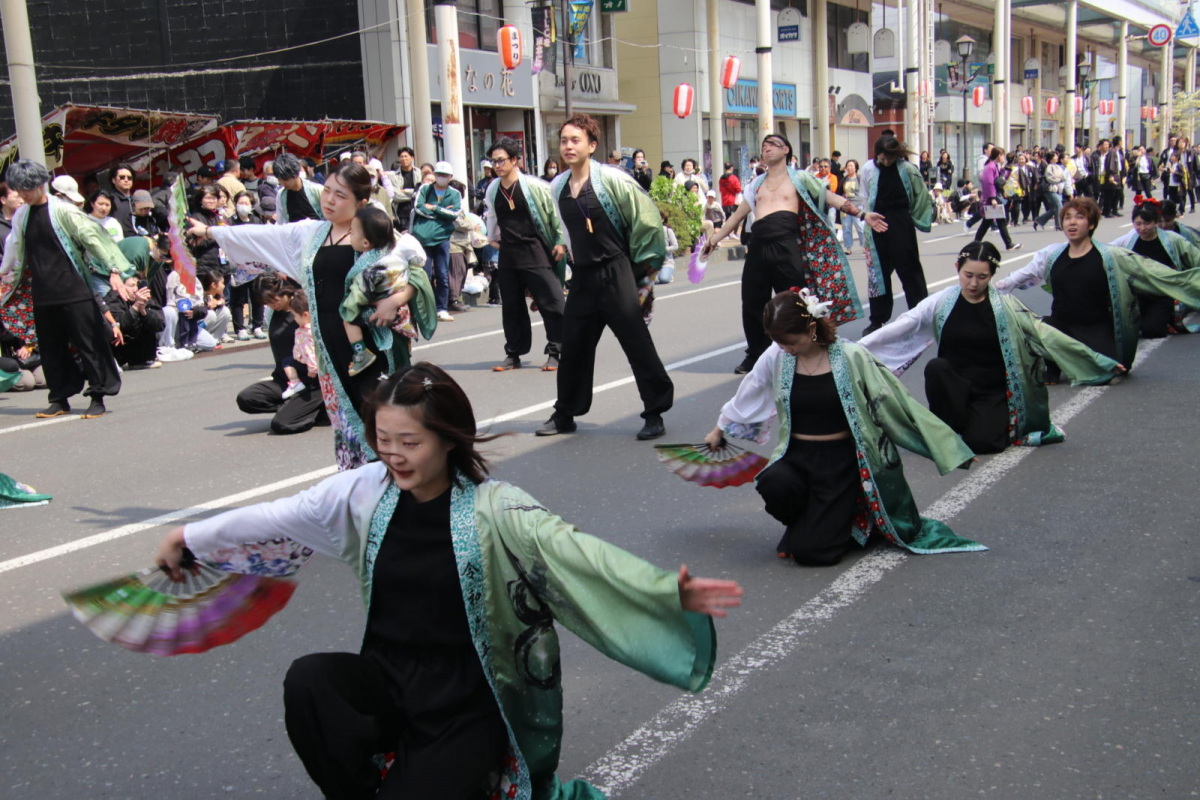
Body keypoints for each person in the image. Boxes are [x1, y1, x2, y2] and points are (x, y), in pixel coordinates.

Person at [155, 362, 742, 800]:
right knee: (310, 683)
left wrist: (665, 591)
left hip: (469, 701)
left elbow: (578, 557)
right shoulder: (363, 495)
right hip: (389, 679)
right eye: (383, 442)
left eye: (409, 442)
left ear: (448, 438)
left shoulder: (496, 510)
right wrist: (193, 537)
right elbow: (278, 515)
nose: (394, 456)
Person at [189, 161, 437, 470]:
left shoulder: (375, 233)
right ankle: (360, 497)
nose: (330, 200)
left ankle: (404, 492)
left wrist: (395, 300)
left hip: (374, 346)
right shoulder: (312, 233)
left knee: (385, 419)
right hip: (331, 345)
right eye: (328, 192)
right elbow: (262, 236)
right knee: (349, 423)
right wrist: (210, 230)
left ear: (361, 202)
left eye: (340, 195)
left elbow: (415, 273)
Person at [707, 288, 984, 565]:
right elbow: (752, 388)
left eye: (792, 341)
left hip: (839, 464)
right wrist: (720, 428)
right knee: (772, 483)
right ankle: (810, 524)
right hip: (796, 455)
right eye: (778, 342)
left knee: (813, 554)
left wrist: (950, 447)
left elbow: (899, 402)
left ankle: (849, 518)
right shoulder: (779, 356)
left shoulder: (851, 356)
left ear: (812, 327)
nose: (786, 348)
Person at [860, 241, 1123, 454]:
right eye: (968, 275)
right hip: (955, 386)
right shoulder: (942, 301)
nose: (973, 283)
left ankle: (990, 423)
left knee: (984, 444)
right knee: (936, 368)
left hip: (992, 390)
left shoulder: (1007, 307)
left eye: (982, 277)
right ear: (957, 269)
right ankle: (947, 429)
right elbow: (901, 326)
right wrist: (853, 349)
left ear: (992, 275)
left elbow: (1047, 337)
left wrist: (1097, 362)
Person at [537, 113, 674, 440]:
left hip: (616, 271)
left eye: (576, 140)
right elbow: (559, 233)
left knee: (635, 342)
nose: (568, 146)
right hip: (583, 277)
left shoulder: (613, 180)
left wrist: (643, 275)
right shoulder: (557, 187)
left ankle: (654, 411)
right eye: (564, 140)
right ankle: (565, 413)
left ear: (592, 145)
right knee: (573, 347)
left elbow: (648, 223)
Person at [702, 132, 871, 374]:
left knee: (796, 301)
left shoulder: (800, 177)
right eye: (764, 145)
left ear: (786, 151)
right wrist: (714, 239)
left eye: (773, 144)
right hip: (758, 246)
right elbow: (738, 215)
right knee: (751, 302)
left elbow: (831, 198)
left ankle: (805, 348)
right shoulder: (756, 184)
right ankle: (756, 355)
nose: (767, 149)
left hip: (786, 245)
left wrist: (863, 215)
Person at [994, 197, 1200, 381]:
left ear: (1091, 224)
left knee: (1108, 369)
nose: (1072, 222)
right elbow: (1019, 277)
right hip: (1060, 327)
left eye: (1079, 217)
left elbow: (1156, 274)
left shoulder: (1110, 256)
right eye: (1067, 218)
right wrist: (995, 290)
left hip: (1095, 328)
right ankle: (1054, 363)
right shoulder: (1051, 254)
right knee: (1035, 327)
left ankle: (1077, 359)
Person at [0, 160, 132, 418]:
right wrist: (3, 275)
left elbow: (93, 238)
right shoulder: (22, 215)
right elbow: (13, 247)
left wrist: (115, 270)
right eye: (19, 189)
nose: (23, 194)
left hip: (74, 289)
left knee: (89, 343)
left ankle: (97, 396)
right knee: (50, 347)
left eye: (27, 188)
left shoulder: (63, 211)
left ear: (41, 185)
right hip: (42, 291)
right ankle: (59, 398)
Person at [484, 137, 567, 372]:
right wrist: (491, 237)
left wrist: (560, 241)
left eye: (501, 161)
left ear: (514, 160)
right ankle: (513, 354)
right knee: (511, 306)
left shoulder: (534, 186)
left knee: (552, 302)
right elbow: (492, 214)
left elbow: (555, 213)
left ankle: (556, 352)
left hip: (536, 249)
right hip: (508, 253)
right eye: (494, 162)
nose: (497, 166)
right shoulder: (493, 188)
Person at [340, 206, 430, 377]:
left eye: (351, 233)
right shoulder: (397, 250)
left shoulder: (371, 269)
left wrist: (349, 305)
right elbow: (418, 260)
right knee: (400, 368)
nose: (348, 236)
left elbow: (357, 296)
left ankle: (360, 353)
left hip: (384, 319)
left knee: (347, 317)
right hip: (400, 316)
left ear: (366, 242)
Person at [858, 135, 935, 334]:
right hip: (876, 223)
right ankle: (877, 319)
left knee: (909, 270)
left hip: (901, 223)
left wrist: (917, 220)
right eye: (882, 158)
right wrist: (867, 221)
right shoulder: (868, 168)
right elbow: (865, 197)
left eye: (889, 159)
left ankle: (920, 314)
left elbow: (921, 196)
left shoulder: (908, 169)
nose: (885, 162)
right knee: (877, 275)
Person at [234, 274, 327, 434]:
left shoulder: (303, 309)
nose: (271, 306)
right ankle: (296, 409)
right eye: (267, 303)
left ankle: (316, 408)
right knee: (247, 398)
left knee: (282, 424)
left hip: (311, 382)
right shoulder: (273, 314)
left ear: (286, 292)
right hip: (286, 380)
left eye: (274, 300)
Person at [1107, 200, 1200, 338]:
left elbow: (1195, 258)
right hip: (1136, 295)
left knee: (1153, 331)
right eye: (1138, 224)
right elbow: (1107, 251)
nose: (1142, 228)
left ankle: (1165, 317)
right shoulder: (1128, 240)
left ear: (1155, 222)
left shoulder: (1173, 239)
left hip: (1163, 293)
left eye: (1147, 223)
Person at [411, 161, 462, 322]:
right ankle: (425, 309)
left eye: (444, 175)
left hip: (442, 239)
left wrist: (434, 208)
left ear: (450, 177)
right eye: (438, 174)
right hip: (424, 239)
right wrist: (441, 212)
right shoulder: (425, 189)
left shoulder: (454, 193)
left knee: (442, 275)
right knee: (424, 275)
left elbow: (454, 213)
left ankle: (442, 308)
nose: (440, 177)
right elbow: (418, 207)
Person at [229, 191, 267, 341]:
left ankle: (257, 326)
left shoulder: (256, 220)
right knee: (238, 298)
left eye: (246, 203)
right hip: (238, 264)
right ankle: (240, 328)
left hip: (255, 263)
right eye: (241, 202)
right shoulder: (230, 221)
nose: (243, 206)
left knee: (257, 296)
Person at [104, 275, 165, 369]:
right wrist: (135, 307)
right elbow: (118, 324)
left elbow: (160, 325)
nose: (135, 289)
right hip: (119, 348)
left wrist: (144, 312)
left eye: (137, 285)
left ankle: (142, 360)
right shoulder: (114, 298)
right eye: (131, 285)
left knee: (147, 321)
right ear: (122, 286)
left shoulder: (146, 298)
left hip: (142, 352)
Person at [974, 146, 1022, 252]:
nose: (1004, 156)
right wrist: (992, 198)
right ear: (999, 155)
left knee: (988, 222)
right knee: (999, 221)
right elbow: (988, 183)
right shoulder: (990, 166)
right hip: (992, 197)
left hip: (994, 196)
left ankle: (976, 242)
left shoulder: (994, 165)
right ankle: (1008, 244)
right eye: (1002, 154)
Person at [274, 152, 325, 224]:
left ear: (296, 173)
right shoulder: (281, 195)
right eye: (279, 179)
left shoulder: (316, 190)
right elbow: (281, 221)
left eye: (286, 179)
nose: (283, 183)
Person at [286, 290, 318, 398]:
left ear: (305, 315)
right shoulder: (309, 328)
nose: (294, 319)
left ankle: (294, 382)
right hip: (304, 359)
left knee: (286, 362)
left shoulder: (308, 331)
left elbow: (310, 349)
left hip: (305, 361)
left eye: (295, 316)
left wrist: (312, 367)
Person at [1033, 151, 1069, 232]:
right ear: (1051, 158)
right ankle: (1058, 225)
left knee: (1055, 208)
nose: (1057, 157)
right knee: (1059, 205)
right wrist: (1058, 179)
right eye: (1055, 156)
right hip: (1050, 189)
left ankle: (1039, 220)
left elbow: (1064, 177)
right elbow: (1050, 179)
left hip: (1058, 189)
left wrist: (1058, 178)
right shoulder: (1049, 167)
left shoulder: (1058, 167)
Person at [839, 159, 865, 254]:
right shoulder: (844, 179)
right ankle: (848, 247)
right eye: (848, 166)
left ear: (856, 168)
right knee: (846, 227)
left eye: (851, 166)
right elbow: (839, 192)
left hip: (858, 205)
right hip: (846, 206)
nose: (849, 168)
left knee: (860, 226)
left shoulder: (860, 178)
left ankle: (864, 246)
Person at [391, 146, 419, 232]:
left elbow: (421, 191)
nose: (403, 159)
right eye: (401, 157)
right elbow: (396, 196)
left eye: (406, 156)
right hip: (402, 213)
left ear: (412, 158)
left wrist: (406, 191)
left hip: (417, 211)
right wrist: (414, 194)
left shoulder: (418, 172)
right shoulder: (394, 176)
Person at [108, 164, 137, 237]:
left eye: (129, 178)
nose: (126, 180)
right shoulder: (110, 199)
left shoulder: (136, 199)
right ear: (113, 180)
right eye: (122, 177)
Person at [0, 180, 24, 261]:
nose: (21, 201)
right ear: (3, 200)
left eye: (22, 196)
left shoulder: (27, 218)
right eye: (17, 197)